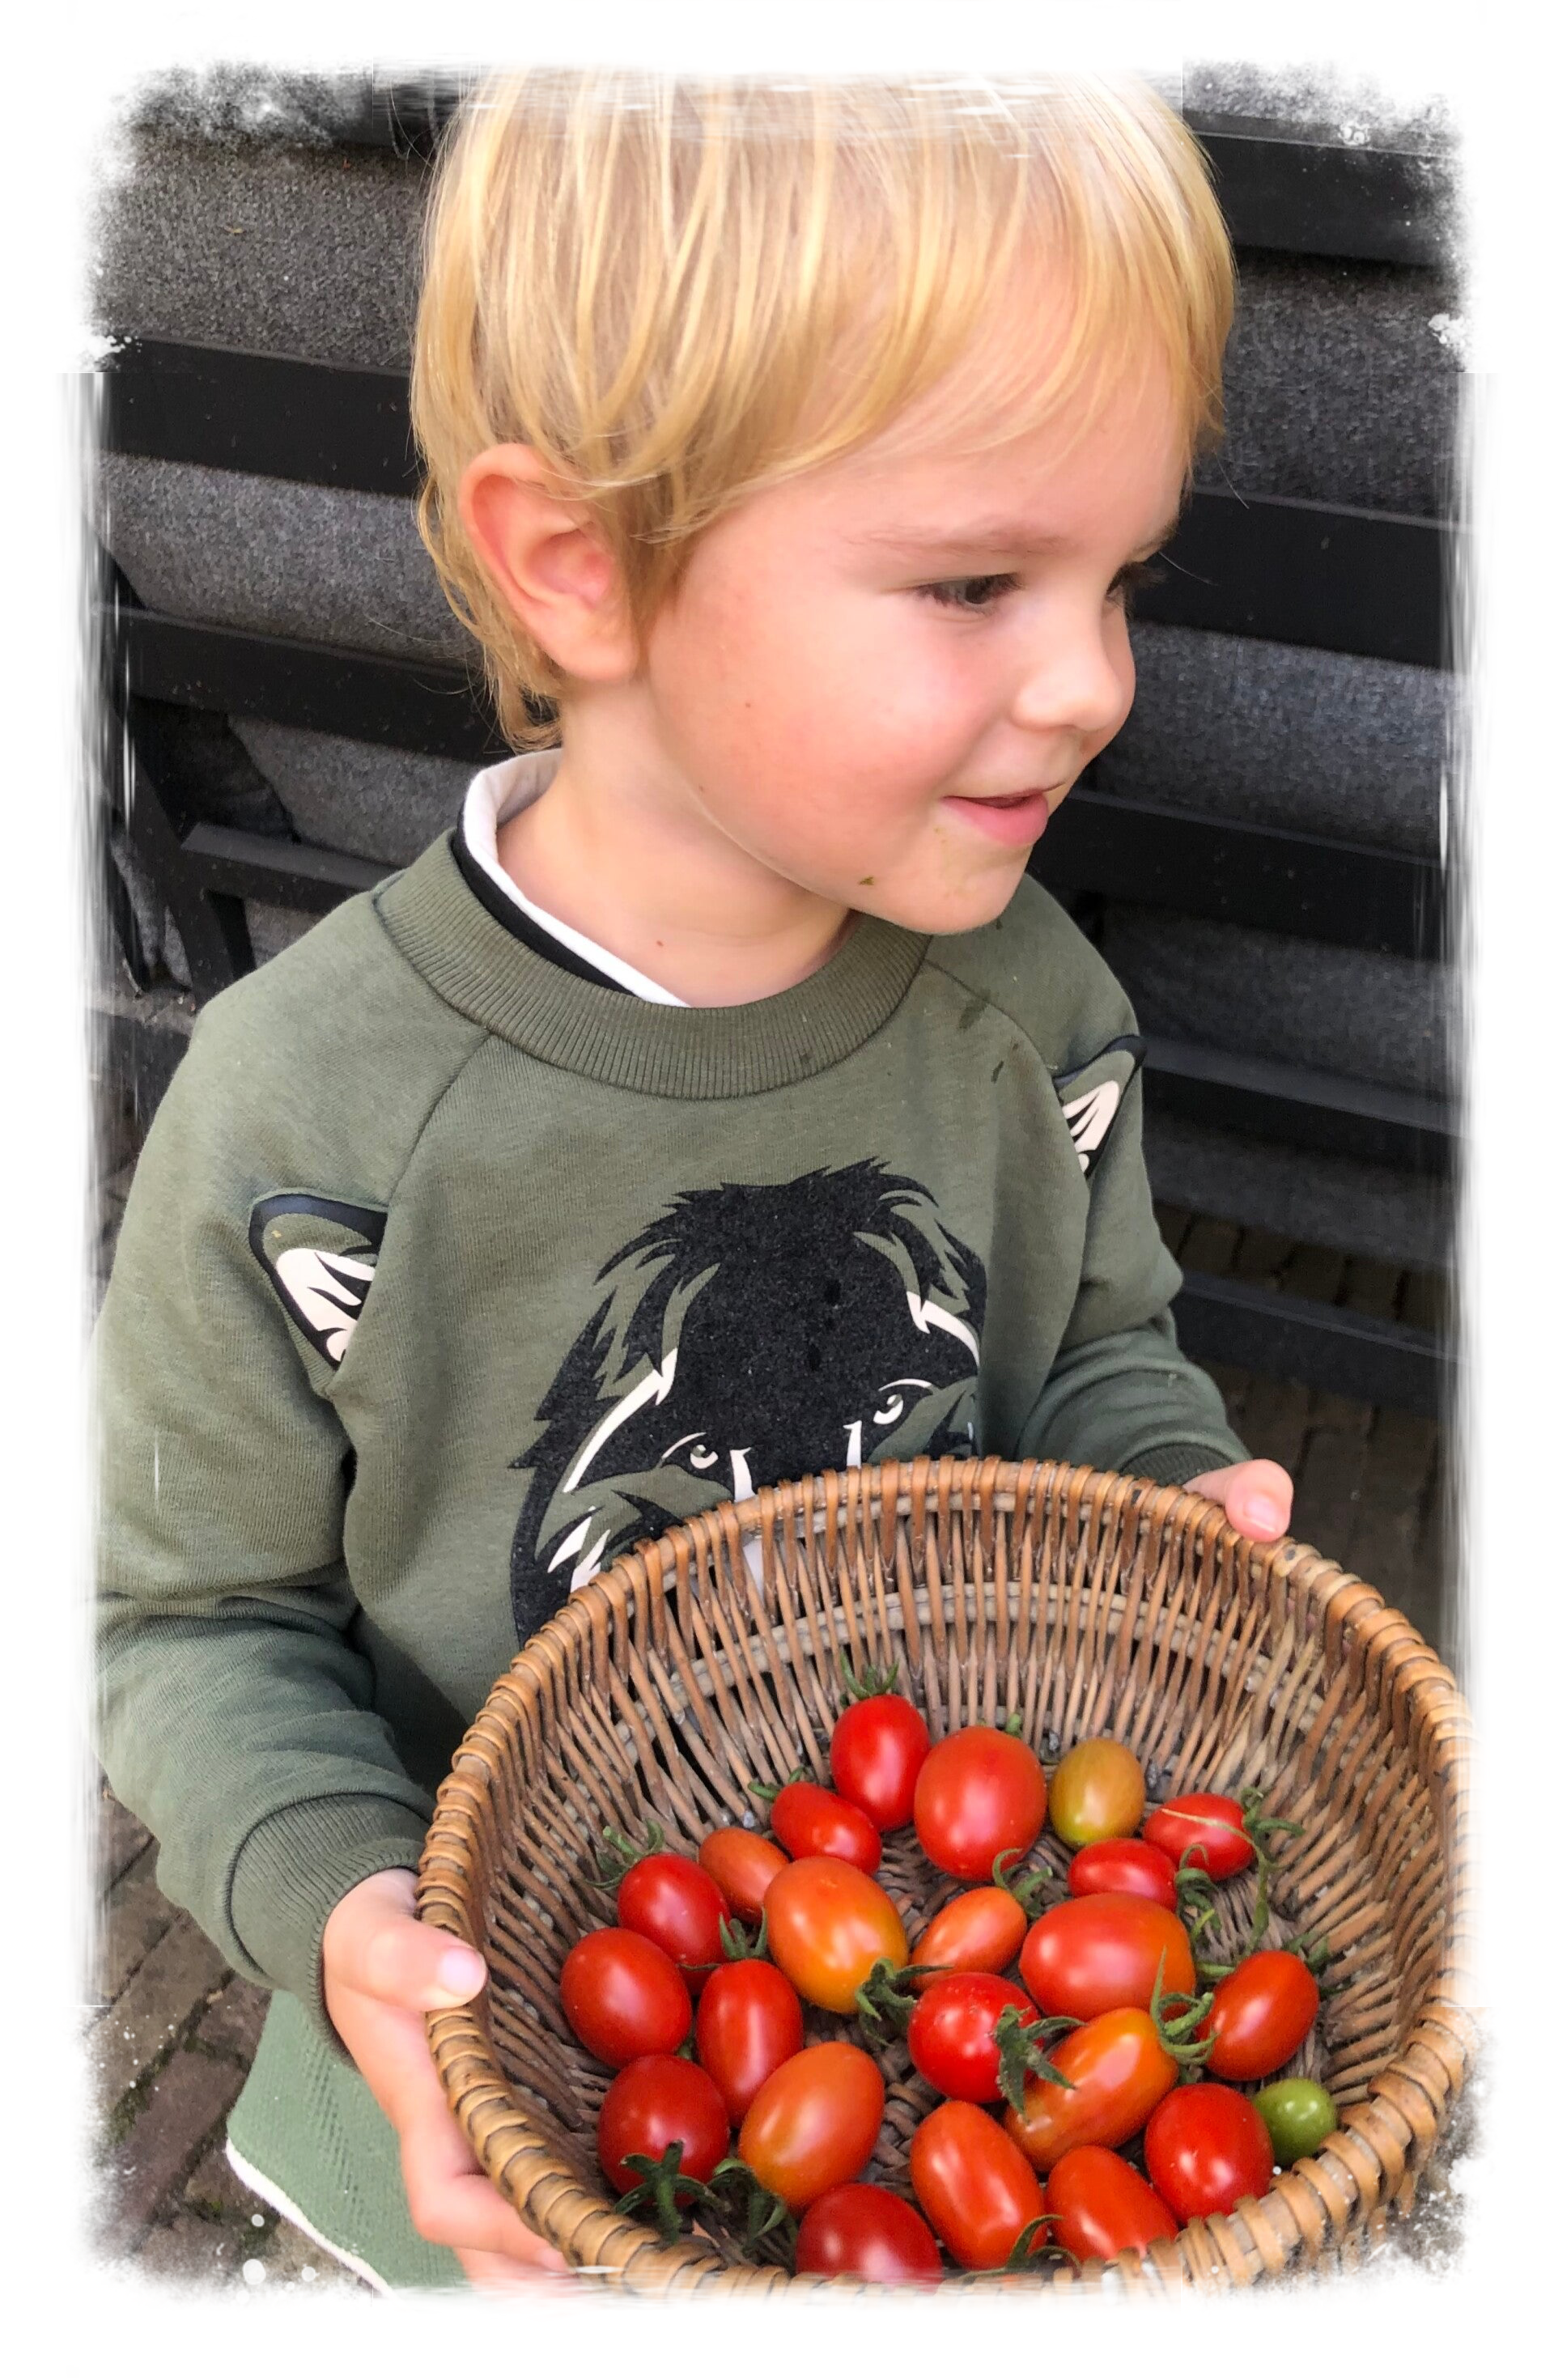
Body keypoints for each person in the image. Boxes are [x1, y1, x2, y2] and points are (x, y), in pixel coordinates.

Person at [95, 67, 1294, 2292]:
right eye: (976, 580)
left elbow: (1096, 1345)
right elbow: (183, 1623)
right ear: (582, 565)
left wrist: (1170, 1491)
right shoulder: (305, 1118)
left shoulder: (1031, 1002)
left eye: (1118, 578)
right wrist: (344, 1901)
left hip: (934, 2048)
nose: (1094, 683)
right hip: (499, 2116)